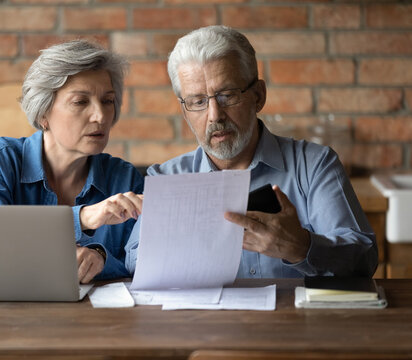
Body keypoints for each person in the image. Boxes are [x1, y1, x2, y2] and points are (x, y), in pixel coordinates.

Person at [125, 25, 377, 278]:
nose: (215, 115)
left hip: (294, 317)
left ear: (258, 96)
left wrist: (302, 247)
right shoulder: (166, 179)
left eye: (227, 95)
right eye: (198, 101)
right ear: (185, 112)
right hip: (202, 318)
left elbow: (365, 259)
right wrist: (176, 237)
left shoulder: (314, 165)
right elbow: (133, 261)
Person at [0, 40, 143, 283]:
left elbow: (139, 264)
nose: (100, 116)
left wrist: (101, 258)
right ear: (43, 113)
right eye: (80, 102)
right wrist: (82, 218)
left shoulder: (125, 178)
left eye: (107, 101)